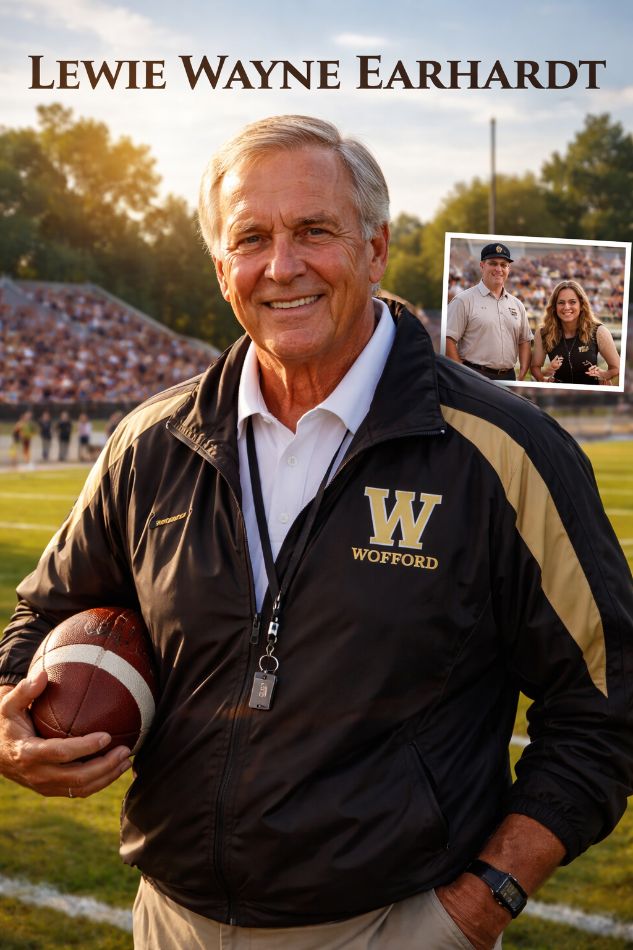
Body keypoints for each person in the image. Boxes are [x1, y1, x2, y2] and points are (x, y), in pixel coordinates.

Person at [0, 116, 632, 950]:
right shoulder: (152, 440)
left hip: (393, 925)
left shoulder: (505, 451)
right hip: (168, 919)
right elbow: (47, 613)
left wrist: (482, 901)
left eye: (313, 232)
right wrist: (11, 720)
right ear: (222, 266)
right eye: (251, 238)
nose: (281, 266)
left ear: (375, 249)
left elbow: (606, 701)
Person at [445, 243, 533, 381]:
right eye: (493, 263)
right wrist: (463, 376)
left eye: (504, 265)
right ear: (482, 266)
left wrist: (522, 374)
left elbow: (524, 341)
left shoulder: (517, 305)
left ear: (508, 268)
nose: (499, 269)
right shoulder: (463, 300)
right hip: (475, 375)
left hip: (509, 377)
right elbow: (448, 340)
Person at [531, 279, 621, 385]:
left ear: (581, 305)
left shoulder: (599, 331)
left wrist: (604, 375)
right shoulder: (543, 333)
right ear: (554, 307)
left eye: (572, 302)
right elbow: (535, 368)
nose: (566, 307)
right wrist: (544, 377)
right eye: (561, 303)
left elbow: (617, 367)